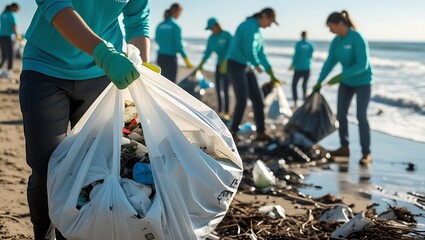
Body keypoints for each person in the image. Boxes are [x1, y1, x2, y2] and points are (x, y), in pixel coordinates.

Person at [19, 1, 151, 239]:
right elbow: (54, 4)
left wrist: (146, 69)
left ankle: (73, 234)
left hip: (102, 76)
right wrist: (104, 53)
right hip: (45, 70)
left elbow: (137, 19)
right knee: (46, 166)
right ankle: (44, 235)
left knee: (93, 167)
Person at [313, 10, 373, 165]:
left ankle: (366, 153)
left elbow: (362, 64)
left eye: (331, 27)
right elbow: (329, 62)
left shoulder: (357, 38)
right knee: (341, 115)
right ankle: (344, 147)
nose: (330, 30)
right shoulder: (336, 41)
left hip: (363, 82)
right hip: (347, 83)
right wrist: (319, 81)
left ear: (340, 24)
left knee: (361, 116)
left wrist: (340, 76)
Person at [226, 7, 281, 142]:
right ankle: (232, 131)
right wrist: (256, 64)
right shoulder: (248, 26)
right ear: (263, 16)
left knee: (258, 99)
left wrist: (271, 73)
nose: (269, 25)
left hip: (247, 66)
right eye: (270, 21)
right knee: (242, 100)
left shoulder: (258, 31)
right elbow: (248, 49)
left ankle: (261, 132)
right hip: (236, 64)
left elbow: (261, 53)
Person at [198, 17, 232, 118]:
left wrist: (226, 61)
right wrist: (201, 64)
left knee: (226, 88)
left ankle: (226, 112)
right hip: (218, 64)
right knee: (218, 88)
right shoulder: (211, 38)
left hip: (228, 65)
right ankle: (220, 109)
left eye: (211, 28)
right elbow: (208, 52)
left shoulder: (227, 35)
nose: (211, 30)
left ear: (217, 25)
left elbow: (232, 49)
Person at [155, 3, 192, 83]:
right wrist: (186, 59)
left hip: (160, 57)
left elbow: (157, 39)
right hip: (170, 59)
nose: (180, 15)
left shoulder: (160, 25)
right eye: (180, 12)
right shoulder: (176, 25)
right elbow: (179, 45)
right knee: (171, 85)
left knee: (162, 82)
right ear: (175, 11)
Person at [289, 31, 314, 108]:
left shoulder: (298, 44)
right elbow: (311, 55)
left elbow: (296, 55)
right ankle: (304, 103)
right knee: (304, 86)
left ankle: (296, 102)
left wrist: (292, 65)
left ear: (301, 36)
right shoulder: (310, 44)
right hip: (307, 68)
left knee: (294, 85)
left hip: (298, 68)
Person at [0, 2, 21, 79]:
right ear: (14, 8)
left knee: (4, 54)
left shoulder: (2, 14)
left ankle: (1, 68)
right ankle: (9, 71)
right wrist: (18, 37)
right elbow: (14, 27)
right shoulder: (12, 15)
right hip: (9, 37)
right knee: (10, 54)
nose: (17, 11)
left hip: (1, 36)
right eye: (17, 9)